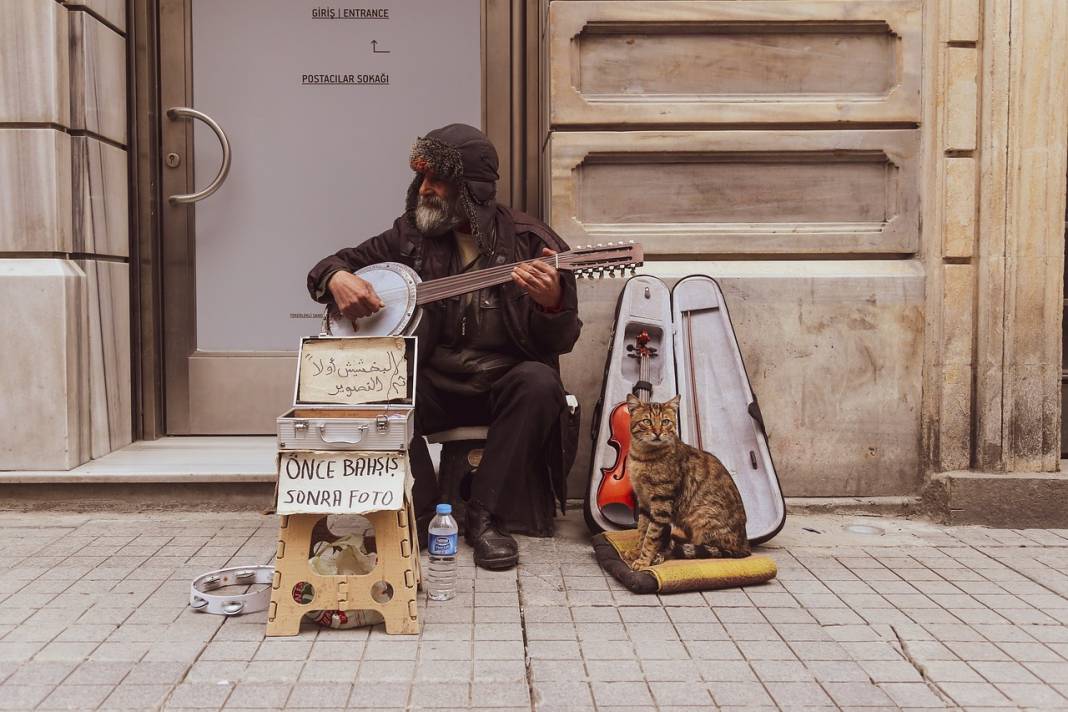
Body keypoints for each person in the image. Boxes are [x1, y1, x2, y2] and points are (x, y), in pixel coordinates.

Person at [306, 124, 581, 570]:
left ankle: (486, 518)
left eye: (438, 180)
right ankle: (423, 510)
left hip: (500, 387)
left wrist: (552, 305)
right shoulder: (409, 236)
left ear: (471, 190)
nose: (425, 189)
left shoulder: (531, 242)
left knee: (540, 382)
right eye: (422, 179)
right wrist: (336, 278)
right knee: (379, 383)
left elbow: (562, 341)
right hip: (433, 384)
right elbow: (331, 266)